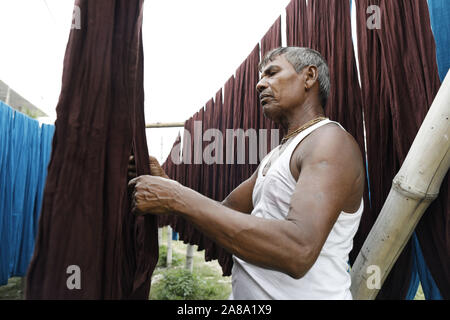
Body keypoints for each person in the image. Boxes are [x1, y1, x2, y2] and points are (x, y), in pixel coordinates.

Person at [128, 47, 365, 299]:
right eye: (260, 77)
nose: (259, 85)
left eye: (272, 73)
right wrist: (167, 184)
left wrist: (175, 196)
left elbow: (298, 251)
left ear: (309, 77)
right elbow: (224, 212)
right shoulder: (280, 153)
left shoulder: (329, 141)